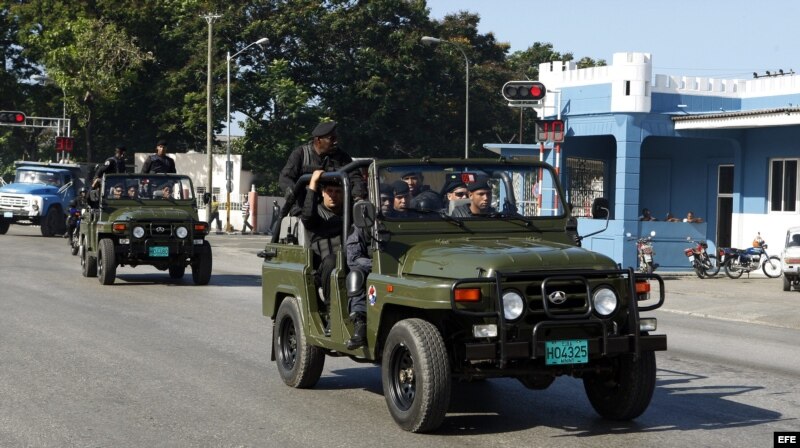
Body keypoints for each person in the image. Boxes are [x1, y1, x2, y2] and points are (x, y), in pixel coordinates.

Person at [301, 169, 345, 332]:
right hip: (322, 269)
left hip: (348, 262)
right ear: (323, 192)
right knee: (332, 261)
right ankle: (331, 313)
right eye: (329, 191)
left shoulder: (349, 213)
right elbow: (307, 217)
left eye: (338, 191)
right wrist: (313, 183)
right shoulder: (316, 214)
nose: (333, 195)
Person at [278, 121, 353, 200]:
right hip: (305, 205)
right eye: (332, 139)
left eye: (336, 138)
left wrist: (358, 197)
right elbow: (285, 178)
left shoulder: (343, 157)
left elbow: (355, 178)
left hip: (333, 208)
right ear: (319, 140)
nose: (336, 142)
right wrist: (293, 195)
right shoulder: (301, 154)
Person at [345, 225, 371, 349]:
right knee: (356, 275)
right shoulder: (364, 225)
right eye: (384, 203)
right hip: (373, 268)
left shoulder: (419, 217)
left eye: (390, 202)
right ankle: (359, 323)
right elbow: (354, 257)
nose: (387, 203)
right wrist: (374, 264)